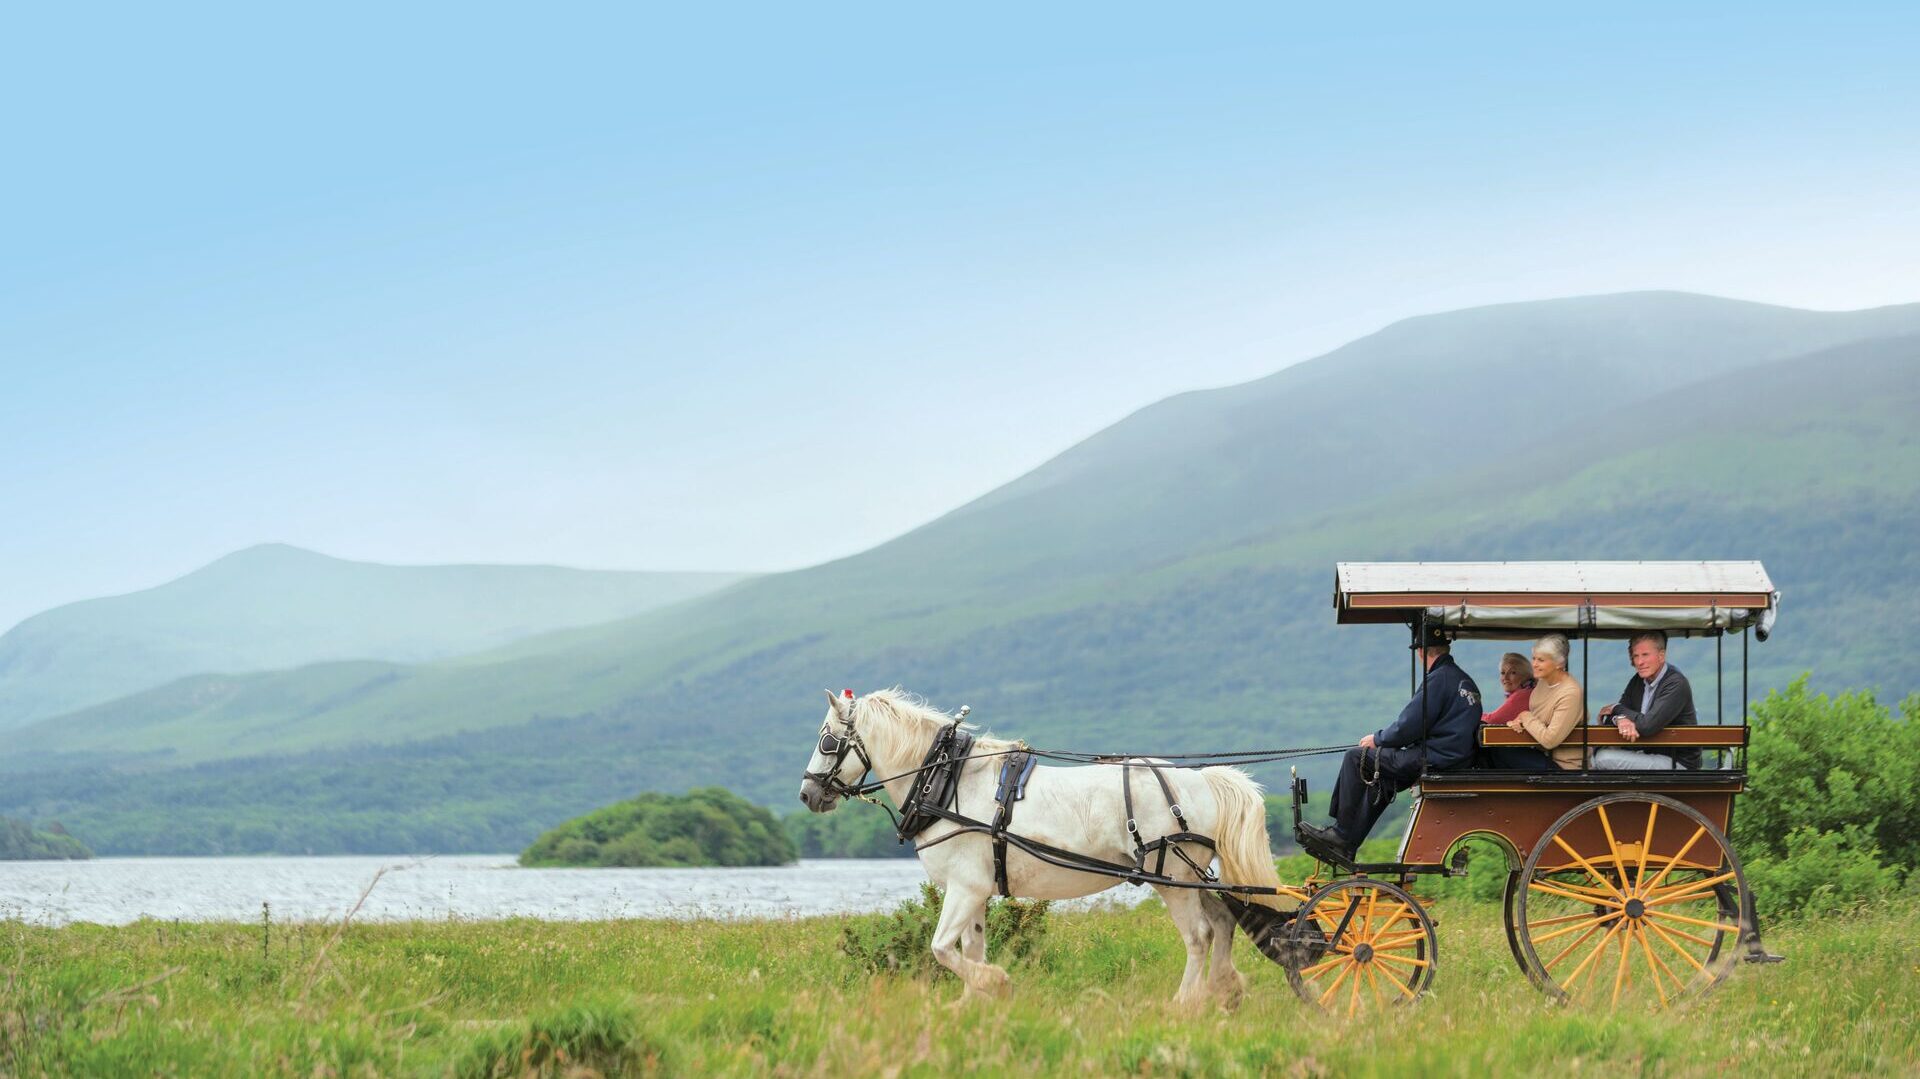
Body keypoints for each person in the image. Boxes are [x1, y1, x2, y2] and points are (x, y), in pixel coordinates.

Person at [1297, 626, 1481, 863]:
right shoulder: (1461, 679)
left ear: (1422, 652)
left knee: (1357, 758)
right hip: (1451, 757)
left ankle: (1341, 833)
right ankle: (1347, 845)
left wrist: (1377, 739)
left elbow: (1410, 725)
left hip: (1435, 758)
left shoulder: (1439, 679)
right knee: (1383, 777)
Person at [1593, 630, 1700, 770]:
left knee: (1602, 759)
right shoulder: (1638, 680)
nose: (1639, 662)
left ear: (1661, 656)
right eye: (1635, 656)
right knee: (1593, 756)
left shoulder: (1676, 684)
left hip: (1676, 761)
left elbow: (1647, 726)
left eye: (1645, 655)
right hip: (1645, 752)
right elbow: (1608, 717)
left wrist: (1616, 708)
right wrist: (1620, 718)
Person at [1501, 634, 1586, 770]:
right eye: (1534, 658)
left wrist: (1525, 716)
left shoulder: (1570, 693)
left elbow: (1550, 740)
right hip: (1541, 754)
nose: (1534, 664)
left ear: (1559, 663)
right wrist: (1519, 722)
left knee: (1498, 751)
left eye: (1541, 660)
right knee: (1493, 748)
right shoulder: (1543, 682)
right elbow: (1538, 719)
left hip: (1563, 766)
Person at [1481, 653, 1535, 726]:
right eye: (1503, 673)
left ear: (1525, 675)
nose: (1505, 678)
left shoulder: (1524, 694)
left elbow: (1491, 720)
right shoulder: (1528, 690)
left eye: (1513, 673)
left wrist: (1471, 714)